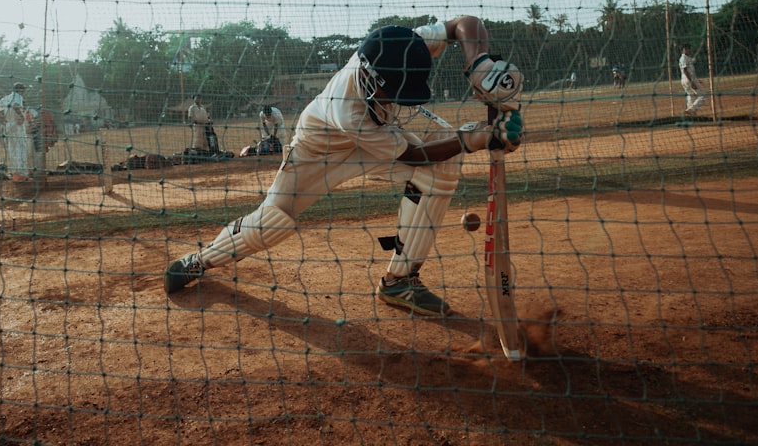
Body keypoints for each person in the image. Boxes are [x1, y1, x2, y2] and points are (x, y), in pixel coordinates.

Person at [164, 17, 524, 317]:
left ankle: (400, 281)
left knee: (442, 168)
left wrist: (479, 65)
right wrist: (475, 139)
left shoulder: (400, 46)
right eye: (393, 94)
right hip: (317, 153)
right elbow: (409, 157)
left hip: (376, 139)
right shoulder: (348, 109)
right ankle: (199, 260)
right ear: (370, 80)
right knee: (273, 222)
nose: (400, 101)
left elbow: (465, 24)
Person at [0, 82, 31, 182]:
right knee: (21, 148)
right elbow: (15, 106)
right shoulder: (18, 96)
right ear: (20, 90)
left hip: (8, 125)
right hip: (17, 125)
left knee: (12, 149)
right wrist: (21, 116)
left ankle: (15, 173)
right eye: (23, 90)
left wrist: (3, 118)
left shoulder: (7, 97)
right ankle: (22, 174)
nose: (24, 92)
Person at [679, 44, 706, 116]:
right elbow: (685, 70)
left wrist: (696, 79)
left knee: (690, 95)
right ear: (682, 50)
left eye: (689, 49)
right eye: (686, 49)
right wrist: (692, 82)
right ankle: (692, 109)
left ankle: (690, 112)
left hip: (686, 79)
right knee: (702, 95)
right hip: (688, 79)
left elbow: (691, 67)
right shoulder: (683, 58)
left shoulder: (687, 58)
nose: (688, 50)